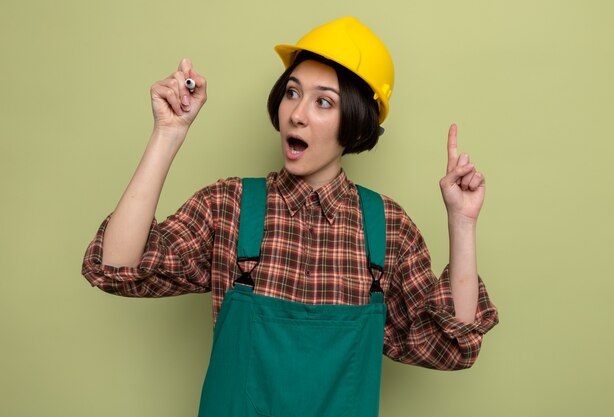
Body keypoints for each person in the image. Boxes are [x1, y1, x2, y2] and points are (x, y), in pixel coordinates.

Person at [82, 16, 498, 417]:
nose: (296, 114)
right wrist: (167, 133)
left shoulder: (387, 228)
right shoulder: (230, 205)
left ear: (354, 124)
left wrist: (462, 223)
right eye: (293, 92)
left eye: (323, 102)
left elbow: (451, 345)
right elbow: (117, 267)